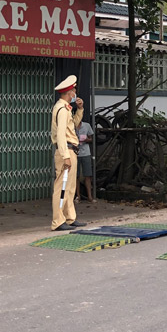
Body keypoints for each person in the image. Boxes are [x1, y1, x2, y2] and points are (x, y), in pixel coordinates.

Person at [50, 75, 86, 231]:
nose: (75, 93)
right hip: (67, 151)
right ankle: (58, 221)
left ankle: (70, 217)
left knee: (70, 187)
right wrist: (65, 156)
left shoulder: (66, 109)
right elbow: (60, 135)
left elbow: (74, 126)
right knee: (62, 187)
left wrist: (80, 109)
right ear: (69, 92)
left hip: (72, 150)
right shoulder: (62, 110)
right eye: (73, 90)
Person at [75, 118, 95, 203]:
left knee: (88, 174)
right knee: (76, 175)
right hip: (75, 152)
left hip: (86, 152)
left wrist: (87, 140)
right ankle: (78, 196)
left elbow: (91, 138)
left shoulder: (86, 125)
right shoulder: (71, 126)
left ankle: (89, 196)